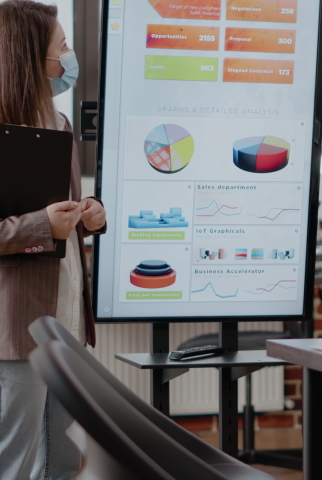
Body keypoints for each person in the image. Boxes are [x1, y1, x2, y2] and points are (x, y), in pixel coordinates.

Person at [0, 2, 107, 479]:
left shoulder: (59, 124)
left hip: (64, 319)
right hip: (16, 326)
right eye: (61, 48)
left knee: (64, 460)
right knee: (18, 460)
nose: (69, 57)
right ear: (28, 58)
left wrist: (89, 216)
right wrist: (44, 224)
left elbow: (62, 213)